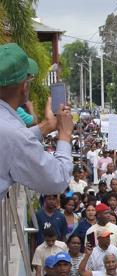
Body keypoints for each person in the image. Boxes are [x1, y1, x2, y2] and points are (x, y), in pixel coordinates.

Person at [0, 43, 74, 198]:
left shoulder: (10, 130)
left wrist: (47, 126)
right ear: (24, 86)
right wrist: (65, 135)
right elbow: (57, 180)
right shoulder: (13, 134)